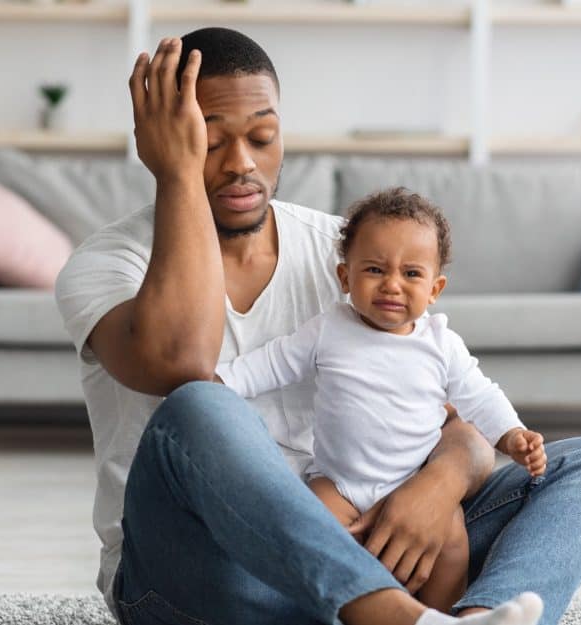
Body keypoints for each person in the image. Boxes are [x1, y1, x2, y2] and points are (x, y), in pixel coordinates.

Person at [54, 26, 581, 625]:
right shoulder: (106, 266)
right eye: (208, 143)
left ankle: (471, 619)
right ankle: (387, 615)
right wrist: (176, 176)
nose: (242, 164)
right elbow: (181, 360)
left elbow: (452, 419)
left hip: (364, 541)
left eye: (262, 137)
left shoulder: (354, 259)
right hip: (204, 574)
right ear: (163, 141)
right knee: (200, 404)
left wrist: (436, 488)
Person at [215, 187, 550, 613]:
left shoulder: (440, 343)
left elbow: (480, 395)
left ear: (434, 288)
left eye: (411, 274)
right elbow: (270, 364)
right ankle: (356, 611)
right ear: (344, 277)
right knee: (310, 527)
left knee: (452, 543)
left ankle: (443, 616)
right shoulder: (328, 330)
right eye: (374, 269)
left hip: (415, 484)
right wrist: (218, 382)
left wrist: (513, 435)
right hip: (340, 485)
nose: (392, 284)